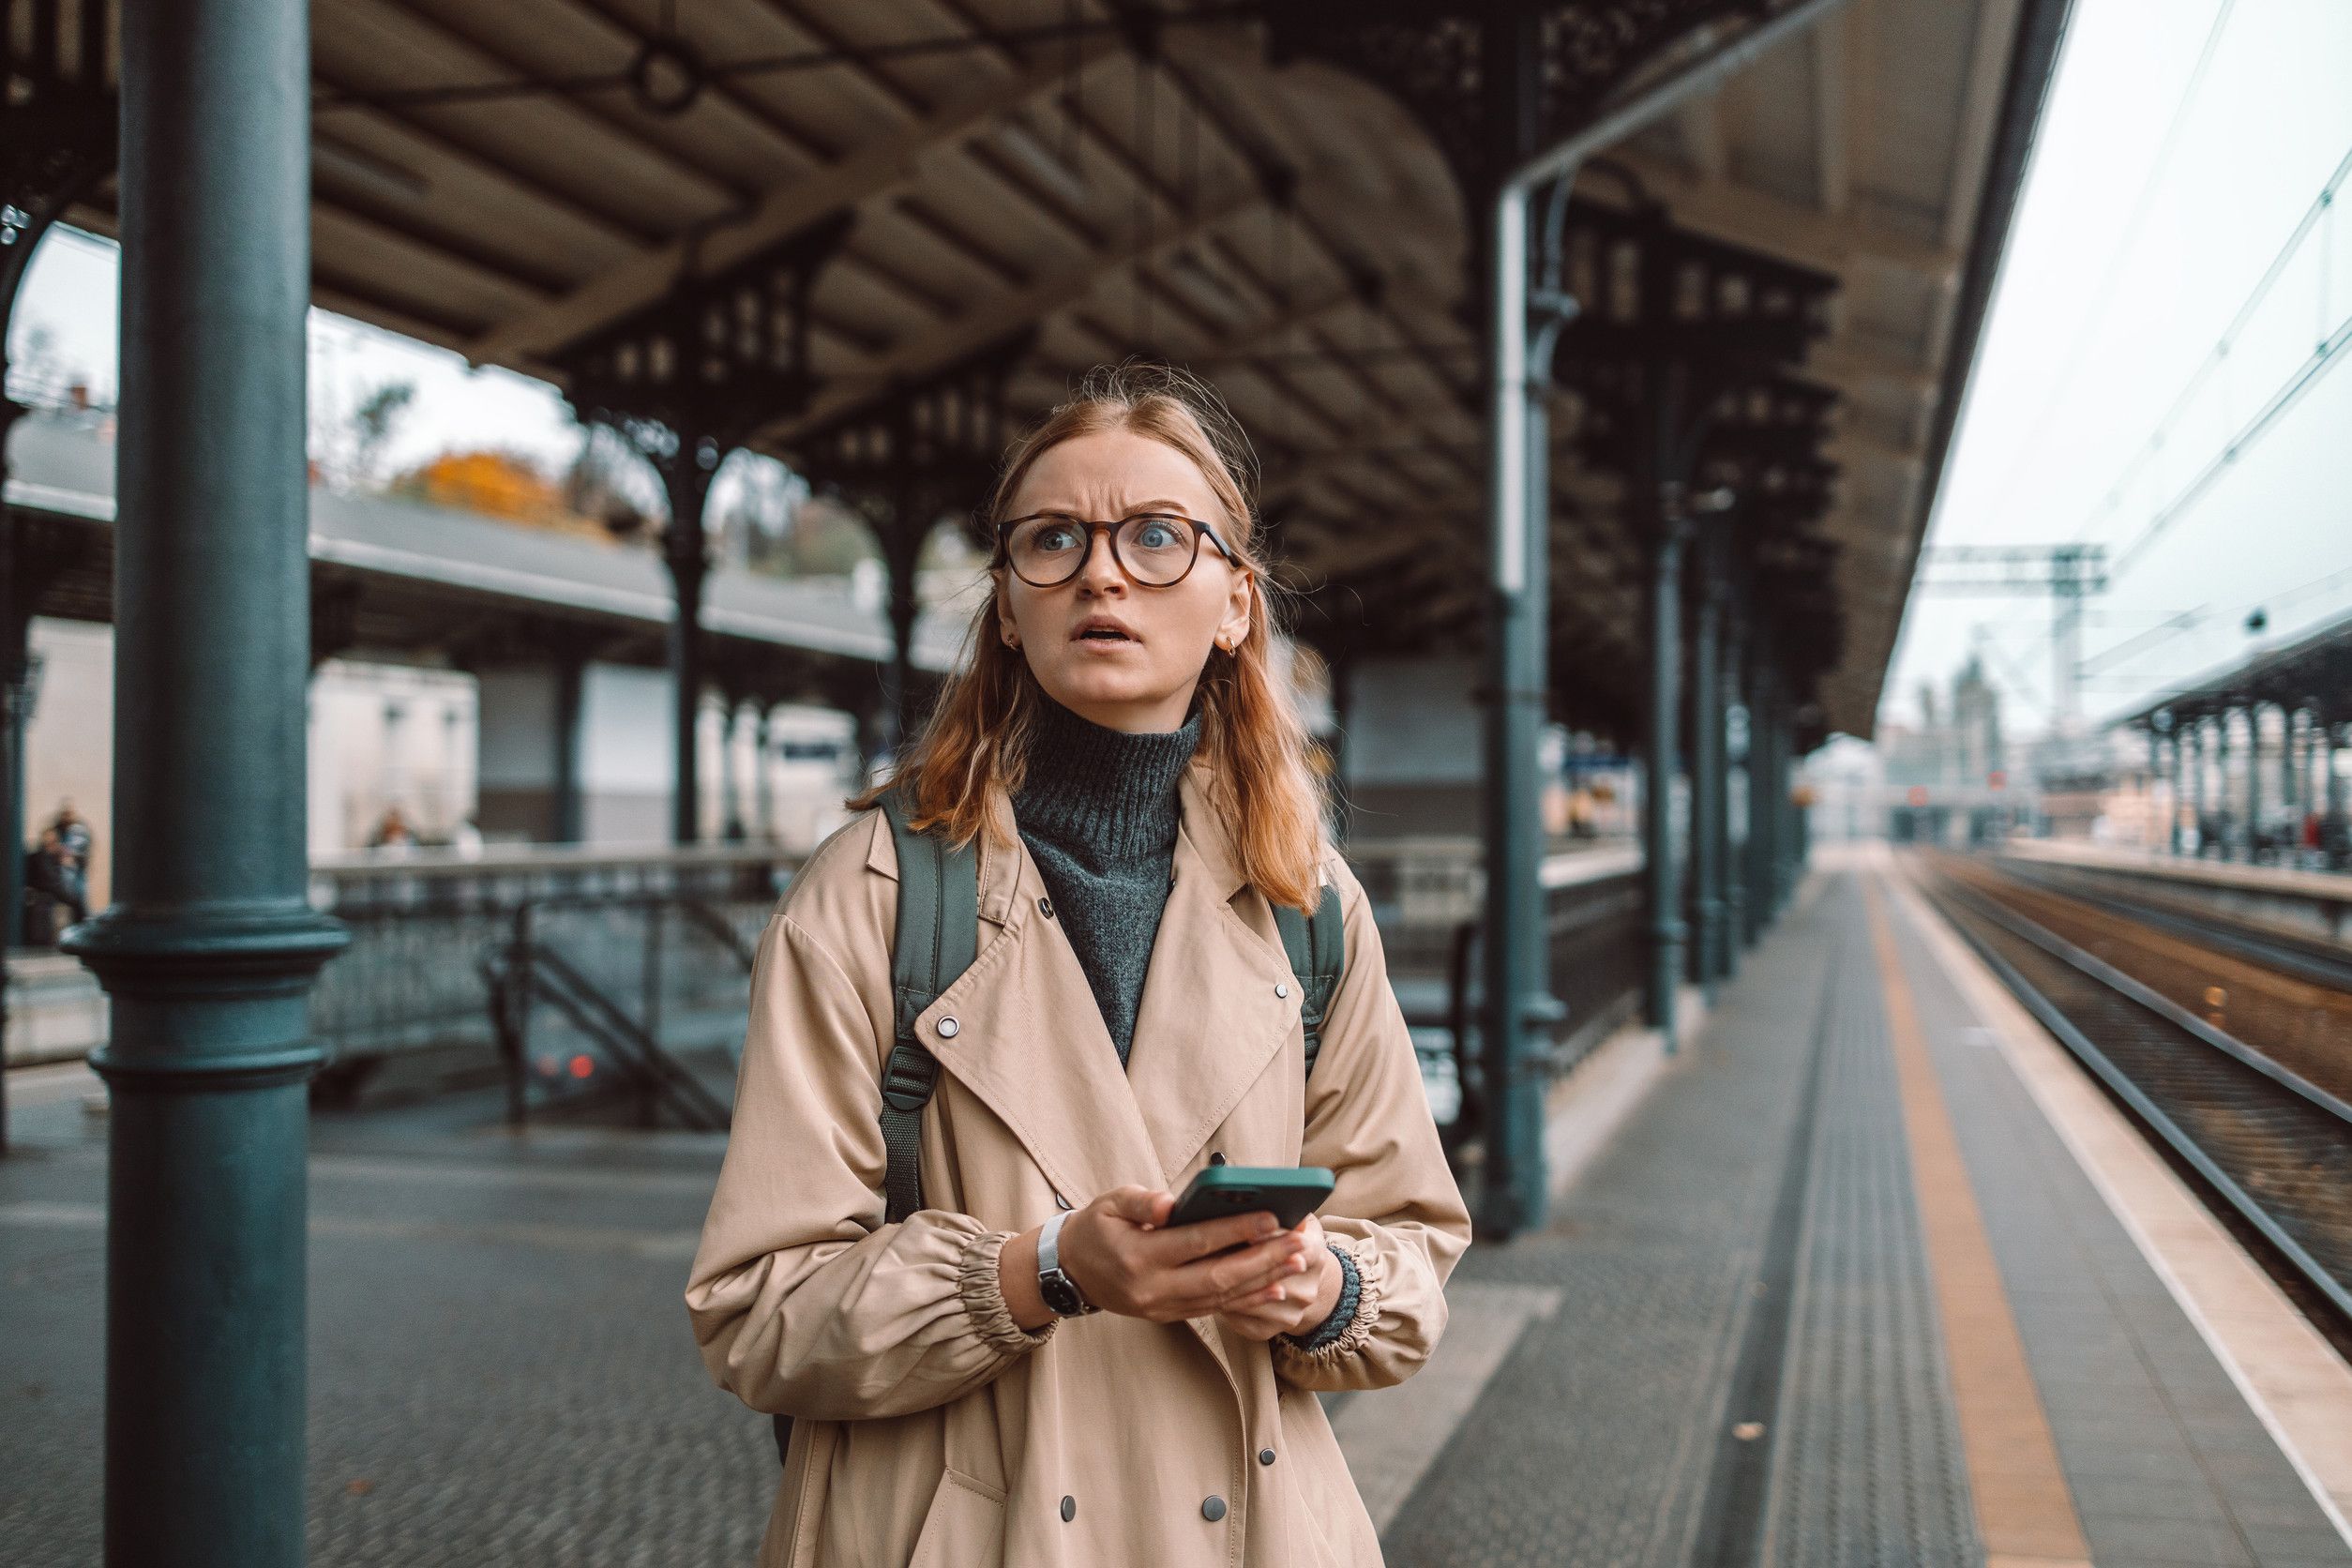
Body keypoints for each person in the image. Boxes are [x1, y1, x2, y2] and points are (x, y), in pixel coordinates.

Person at [686, 366, 1470, 1567]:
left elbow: (1410, 1253)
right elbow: (756, 1312)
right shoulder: (872, 894)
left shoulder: (1307, 903)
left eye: (1158, 536)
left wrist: (1320, 1287)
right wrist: (1039, 1271)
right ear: (1008, 604)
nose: (1101, 572)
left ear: (1235, 603)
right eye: (1052, 539)